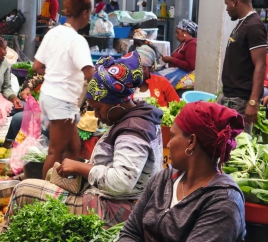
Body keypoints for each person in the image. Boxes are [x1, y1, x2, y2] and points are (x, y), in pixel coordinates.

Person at [103, 102, 260, 242]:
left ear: (191, 142)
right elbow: (130, 233)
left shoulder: (224, 202)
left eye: (173, 135)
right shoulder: (162, 180)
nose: (167, 142)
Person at [9, 51, 163, 227]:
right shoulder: (134, 119)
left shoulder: (133, 131)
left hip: (116, 211)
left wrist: (80, 167)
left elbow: (121, 182)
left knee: (22, 191)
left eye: (99, 109)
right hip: (115, 203)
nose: (97, 116)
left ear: (117, 103)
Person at [33, 0, 94, 178]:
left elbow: (37, 66)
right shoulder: (77, 41)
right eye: (89, 13)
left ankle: (65, 184)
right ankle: (45, 192)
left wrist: (56, 74)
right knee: (55, 151)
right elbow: (90, 73)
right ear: (84, 13)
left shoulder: (53, 33)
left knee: (73, 148)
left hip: (49, 96)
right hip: (63, 100)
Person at [218, 0, 267, 127]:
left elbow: (260, 64)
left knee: (237, 146)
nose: (227, 9)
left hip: (241, 99)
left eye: (227, 4)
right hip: (229, 95)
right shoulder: (243, 23)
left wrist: (253, 101)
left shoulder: (254, 26)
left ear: (234, 1)